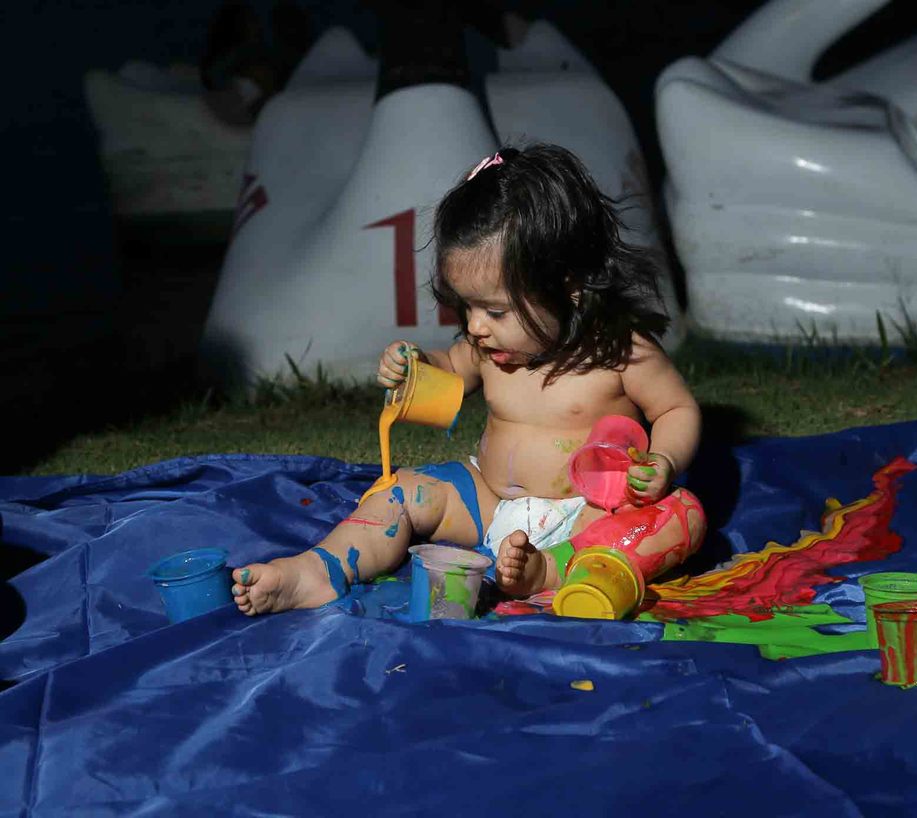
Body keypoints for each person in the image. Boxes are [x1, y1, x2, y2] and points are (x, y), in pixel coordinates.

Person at [231, 143, 706, 615]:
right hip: (488, 501)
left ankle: (556, 571)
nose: (476, 326)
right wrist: (413, 366)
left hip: (588, 515)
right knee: (401, 492)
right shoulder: (487, 349)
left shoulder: (620, 351)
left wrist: (663, 459)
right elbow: (449, 370)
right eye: (467, 306)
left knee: (681, 515)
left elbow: (675, 408)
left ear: (569, 286)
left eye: (495, 310)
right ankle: (319, 570)